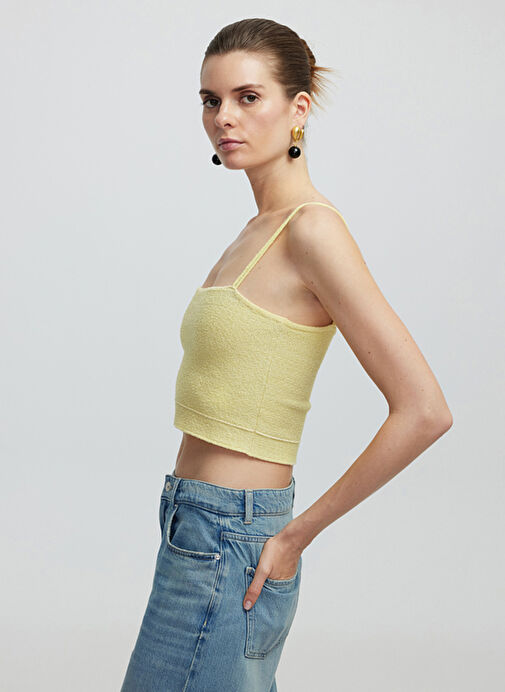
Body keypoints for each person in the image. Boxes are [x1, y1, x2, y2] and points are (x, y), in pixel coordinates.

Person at [120, 17, 453, 692]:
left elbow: (424, 410)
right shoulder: (257, 230)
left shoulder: (312, 231)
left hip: (230, 538)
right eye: (210, 100)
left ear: (298, 108)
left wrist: (297, 533)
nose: (223, 117)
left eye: (248, 97)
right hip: (195, 524)